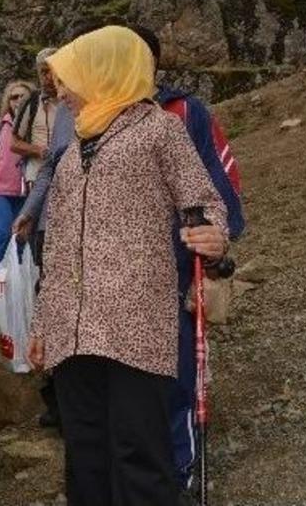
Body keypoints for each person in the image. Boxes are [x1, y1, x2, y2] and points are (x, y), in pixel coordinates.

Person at [26, 25, 228, 506]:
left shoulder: (160, 129)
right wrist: (41, 323)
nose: (64, 93)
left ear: (105, 72)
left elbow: (204, 201)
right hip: (73, 331)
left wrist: (214, 236)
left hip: (134, 324)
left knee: (139, 459)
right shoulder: (73, 148)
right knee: (86, 459)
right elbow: (55, 248)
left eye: (72, 80)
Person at [126, 26, 245, 493]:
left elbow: (220, 177)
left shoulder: (184, 111)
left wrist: (217, 239)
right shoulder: (91, 121)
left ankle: (180, 474)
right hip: (122, 275)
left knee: (177, 375)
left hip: (176, 267)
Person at [0, 80, 34, 268]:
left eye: (23, 96)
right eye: (14, 97)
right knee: (2, 233)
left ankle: (15, 290)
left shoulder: (36, 128)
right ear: (8, 101)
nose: (18, 100)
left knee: (21, 240)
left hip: (26, 194)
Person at [10, 47, 61, 193]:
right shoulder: (31, 101)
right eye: (44, 72)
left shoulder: (72, 99)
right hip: (38, 178)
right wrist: (39, 150)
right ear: (38, 74)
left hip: (67, 176)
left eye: (53, 71)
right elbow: (14, 143)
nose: (49, 78)